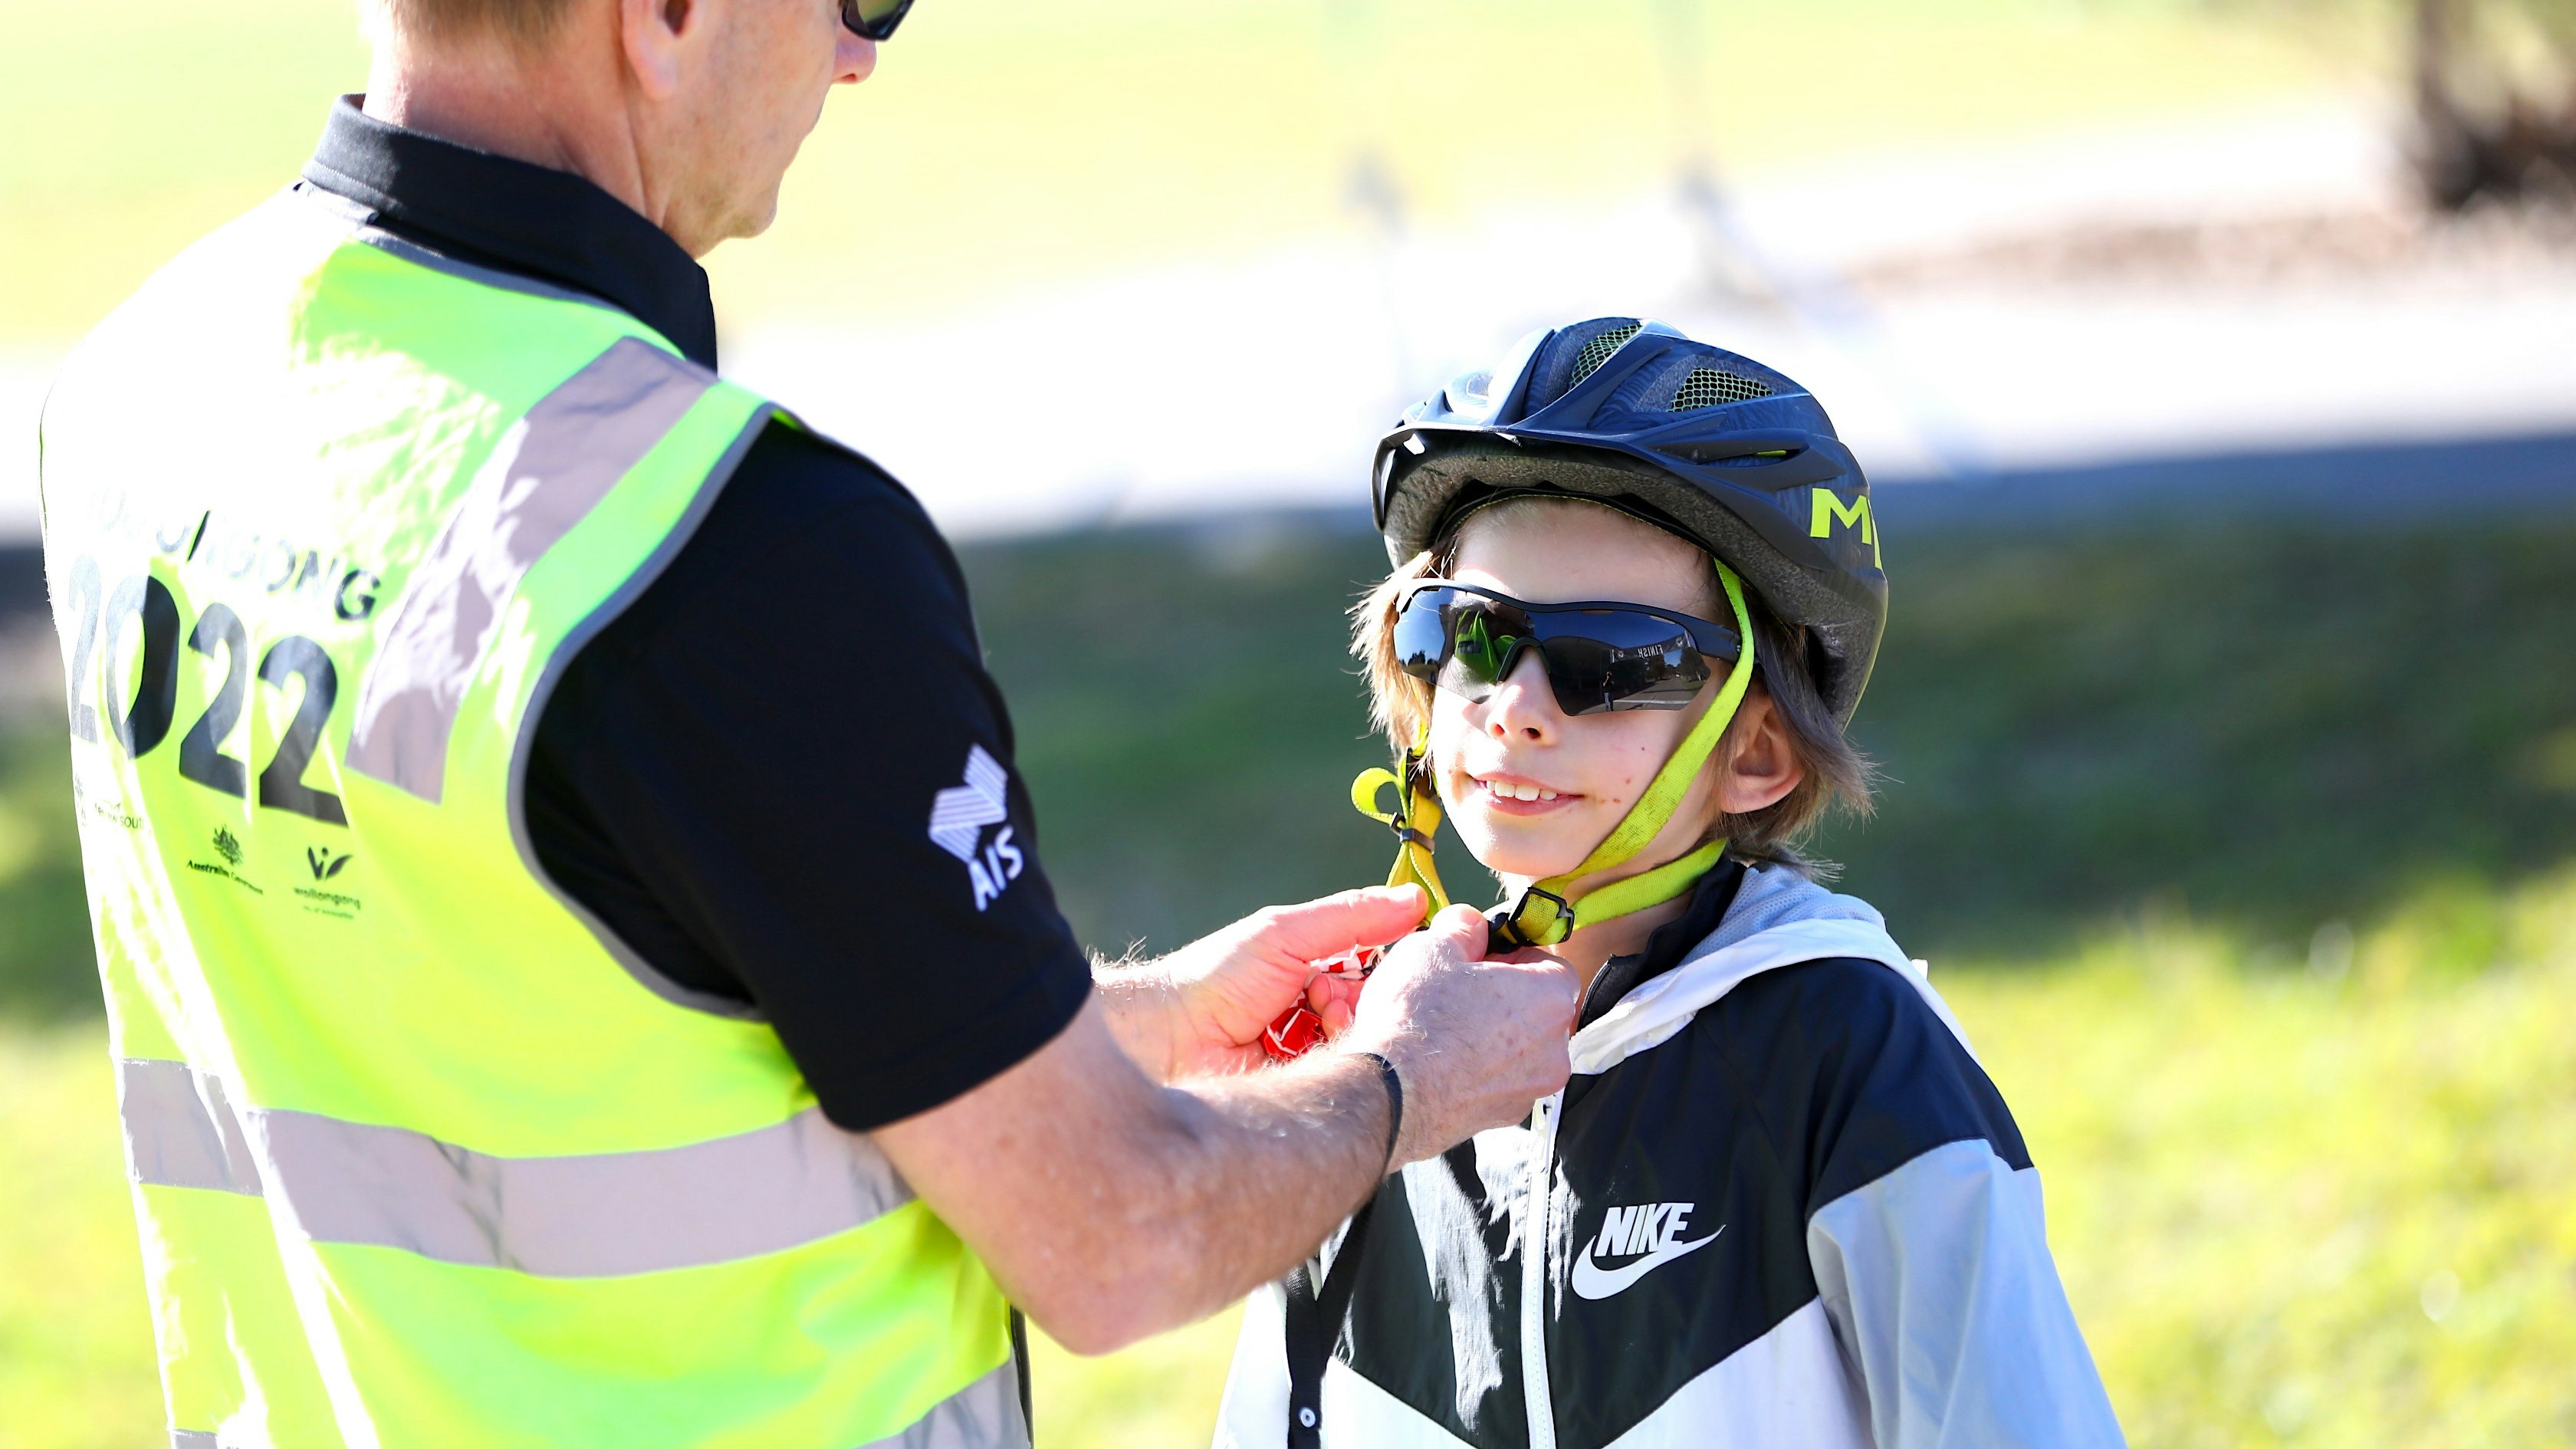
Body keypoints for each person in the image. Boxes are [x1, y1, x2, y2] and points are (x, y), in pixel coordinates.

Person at [33, 2, 1579, 1444]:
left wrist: (1124, 1026)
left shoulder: (147, 379)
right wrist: (1405, 1077)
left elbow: (524, 992)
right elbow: (1118, 1234)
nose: (859, 57)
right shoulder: (727, 550)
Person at [1215, 319, 2128, 1448]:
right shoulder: (1364, 1059)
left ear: (1757, 752)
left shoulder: (1849, 1054)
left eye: (1610, 662)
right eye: (1474, 636)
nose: (1516, 706)